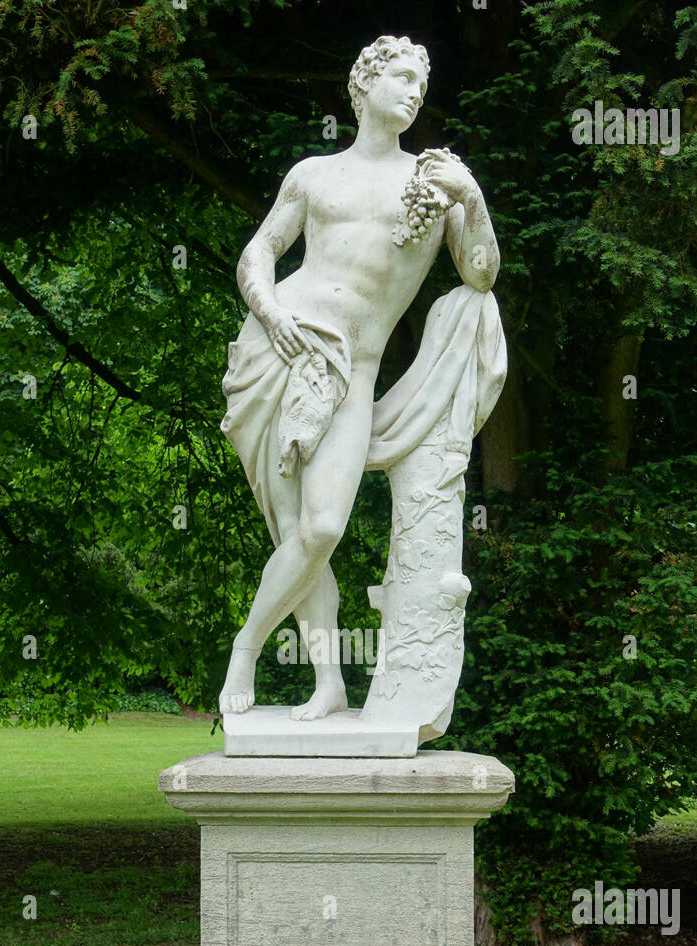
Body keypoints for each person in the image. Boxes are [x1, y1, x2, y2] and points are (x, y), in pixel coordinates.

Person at [219, 34, 500, 719]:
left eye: (421, 85)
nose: (413, 92)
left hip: (354, 371)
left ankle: (245, 649)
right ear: (364, 83)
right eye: (401, 78)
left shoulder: (437, 184)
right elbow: (259, 251)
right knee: (295, 533)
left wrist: (474, 196)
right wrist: (270, 312)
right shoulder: (314, 173)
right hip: (277, 350)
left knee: (322, 530)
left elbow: (482, 277)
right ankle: (328, 683)